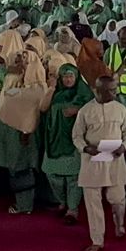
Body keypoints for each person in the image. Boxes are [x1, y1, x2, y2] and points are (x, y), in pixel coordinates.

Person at [73, 75, 126, 251]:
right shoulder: (85, 111)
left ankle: (119, 224)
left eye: (115, 89)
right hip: (92, 160)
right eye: (111, 90)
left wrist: (124, 146)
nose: (115, 93)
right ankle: (97, 240)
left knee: (117, 198)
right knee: (93, 202)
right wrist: (85, 148)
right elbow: (76, 136)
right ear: (98, 91)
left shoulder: (120, 108)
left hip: (115, 159)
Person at [41, 63, 92, 225]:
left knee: (73, 177)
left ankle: (73, 209)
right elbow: (43, 108)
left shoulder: (84, 93)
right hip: (54, 140)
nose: (68, 79)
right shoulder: (56, 93)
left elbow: (93, 109)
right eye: (65, 76)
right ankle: (62, 202)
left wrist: (78, 110)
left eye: (71, 76)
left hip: (74, 142)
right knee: (52, 174)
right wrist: (51, 87)